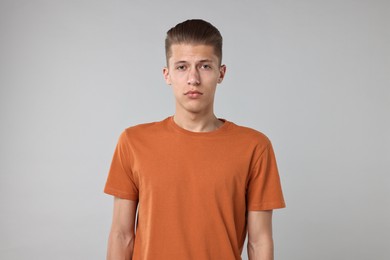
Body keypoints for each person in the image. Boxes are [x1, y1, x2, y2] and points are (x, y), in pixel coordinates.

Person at [104, 19, 285, 260]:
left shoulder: (255, 147)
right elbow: (121, 235)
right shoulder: (133, 142)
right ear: (167, 74)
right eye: (182, 67)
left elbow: (259, 241)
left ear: (221, 73)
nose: (193, 79)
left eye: (205, 66)